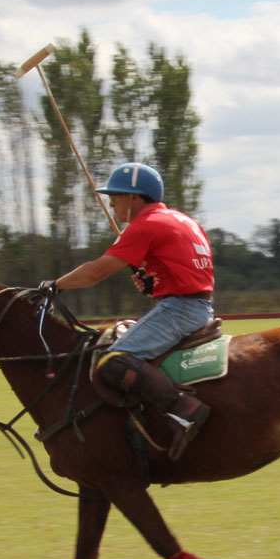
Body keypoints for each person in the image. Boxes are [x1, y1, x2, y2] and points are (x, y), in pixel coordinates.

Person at [40, 161, 215, 461]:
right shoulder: (182, 220)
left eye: (116, 197)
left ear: (136, 198)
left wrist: (55, 285)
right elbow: (189, 270)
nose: (112, 204)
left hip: (181, 310)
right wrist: (154, 282)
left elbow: (96, 272)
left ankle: (185, 411)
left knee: (113, 360)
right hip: (198, 306)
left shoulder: (145, 225)